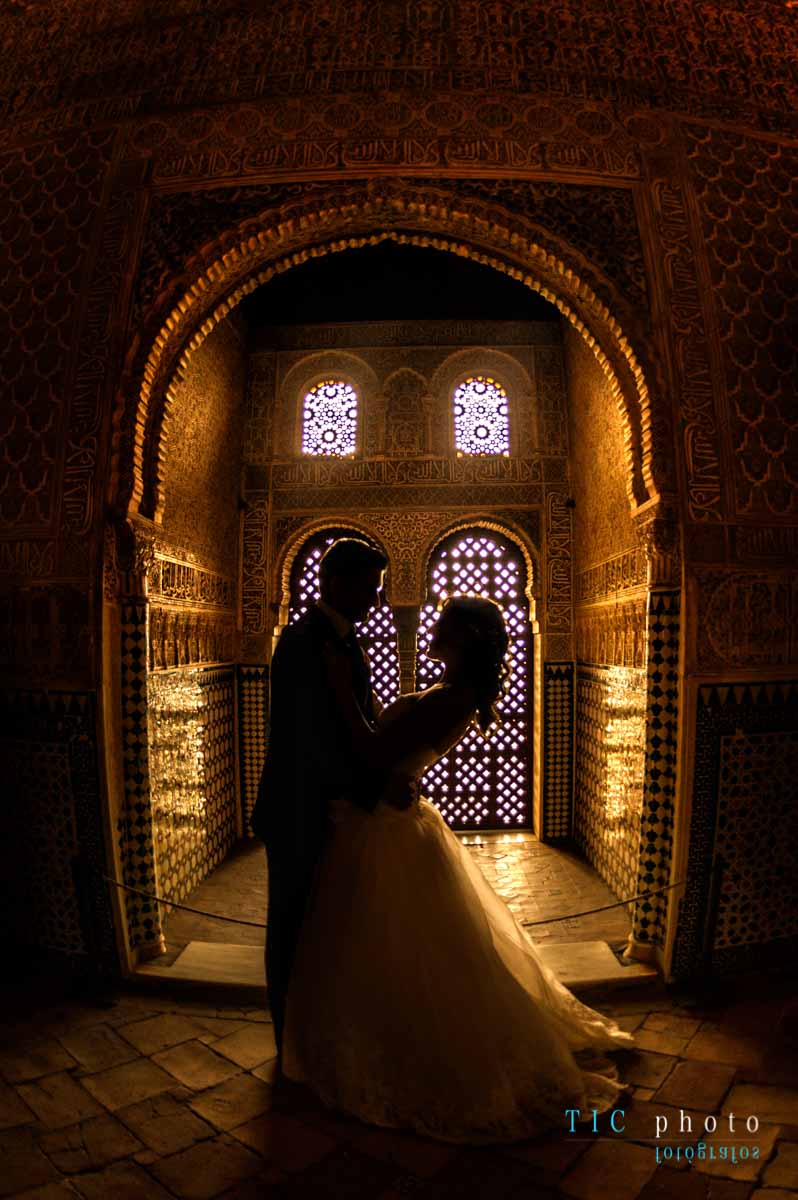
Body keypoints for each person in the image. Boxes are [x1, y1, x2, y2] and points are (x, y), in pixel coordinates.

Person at [281, 594, 635, 1144]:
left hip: (384, 830)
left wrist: (340, 687)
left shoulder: (454, 699)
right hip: (385, 819)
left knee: (390, 942)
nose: (432, 626)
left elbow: (374, 753)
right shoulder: (453, 693)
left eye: (443, 621)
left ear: (466, 635)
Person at [250, 538, 414, 1060]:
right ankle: (288, 1042)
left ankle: (309, 1036)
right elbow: (311, 741)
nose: (377, 598)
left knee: (316, 929)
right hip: (298, 811)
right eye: (370, 586)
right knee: (290, 928)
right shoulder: (305, 642)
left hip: (321, 810)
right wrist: (375, 787)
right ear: (338, 583)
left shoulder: (340, 640)